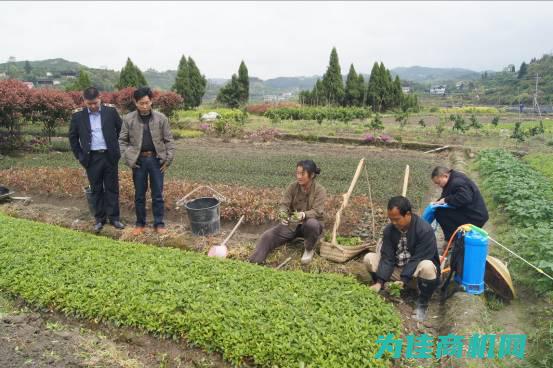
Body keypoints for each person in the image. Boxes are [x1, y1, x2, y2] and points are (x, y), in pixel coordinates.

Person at [363, 196, 440, 321]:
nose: (393, 222)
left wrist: (404, 279)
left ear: (408, 214)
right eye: (391, 219)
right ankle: (380, 287)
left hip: (415, 275)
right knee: (369, 258)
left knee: (427, 266)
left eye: (397, 219)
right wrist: (380, 281)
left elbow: (418, 258)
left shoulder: (424, 230)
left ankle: (422, 303)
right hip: (397, 270)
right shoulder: (389, 230)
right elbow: (387, 257)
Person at [119, 87, 175, 235]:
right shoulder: (128, 119)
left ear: (151, 101)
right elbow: (122, 141)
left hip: (157, 161)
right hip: (138, 162)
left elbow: (169, 140)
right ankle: (140, 224)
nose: (144, 106)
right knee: (139, 194)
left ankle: (159, 223)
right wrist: (128, 159)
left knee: (157, 194)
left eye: (147, 102)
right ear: (135, 102)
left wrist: (168, 160)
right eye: (141, 103)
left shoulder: (161, 118)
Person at [249, 160, 326, 265]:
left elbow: (317, 211)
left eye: (302, 174)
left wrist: (304, 215)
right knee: (267, 236)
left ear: (312, 175)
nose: (299, 176)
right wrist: (283, 215)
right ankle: (255, 262)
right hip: (293, 224)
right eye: (297, 173)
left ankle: (309, 248)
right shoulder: (292, 187)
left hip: (310, 226)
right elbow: (284, 205)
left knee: (312, 224)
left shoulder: (320, 190)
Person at [69, 87, 124, 233]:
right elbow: (73, 138)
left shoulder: (110, 112)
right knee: (96, 189)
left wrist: (117, 150)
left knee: (112, 187)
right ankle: (99, 219)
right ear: (84, 101)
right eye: (89, 104)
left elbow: (121, 131)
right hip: (91, 158)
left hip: (109, 156)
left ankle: (114, 218)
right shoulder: (78, 116)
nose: (93, 106)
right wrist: (80, 156)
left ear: (100, 98)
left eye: (95, 103)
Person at [431, 166, 489, 242]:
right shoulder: (451, 179)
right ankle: (456, 239)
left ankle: (454, 241)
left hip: (476, 216)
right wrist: (437, 202)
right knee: (439, 209)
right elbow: (447, 195)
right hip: (471, 212)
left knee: (440, 213)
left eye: (438, 183)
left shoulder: (457, 182)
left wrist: (446, 200)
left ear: (445, 176)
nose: (438, 185)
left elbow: (465, 198)